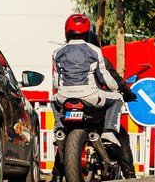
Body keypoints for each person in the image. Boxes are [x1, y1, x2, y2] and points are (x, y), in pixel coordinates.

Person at [51, 14, 135, 147]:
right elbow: (104, 76)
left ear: (67, 31)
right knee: (117, 98)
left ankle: (59, 129)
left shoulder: (57, 52)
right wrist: (115, 90)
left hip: (64, 96)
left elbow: (56, 82)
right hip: (90, 96)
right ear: (87, 32)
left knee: (53, 99)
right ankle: (109, 131)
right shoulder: (94, 50)